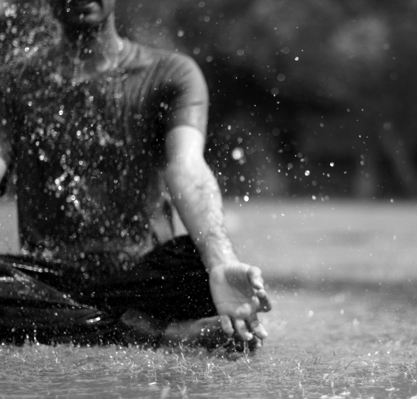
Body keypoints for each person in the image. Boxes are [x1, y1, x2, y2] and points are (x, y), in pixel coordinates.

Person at [0, 0, 271, 350]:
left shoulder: (171, 73)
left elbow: (186, 167)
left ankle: (84, 325)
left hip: (144, 277)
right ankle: (153, 334)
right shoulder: (14, 82)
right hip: (51, 282)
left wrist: (221, 262)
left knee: (199, 262)